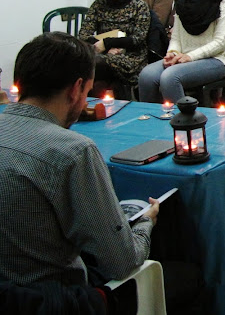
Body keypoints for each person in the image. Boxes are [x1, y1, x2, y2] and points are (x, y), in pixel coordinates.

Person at [0, 32, 158, 286]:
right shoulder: (73, 151)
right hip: (52, 299)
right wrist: (145, 223)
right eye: (87, 91)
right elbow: (122, 261)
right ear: (76, 90)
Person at [139, 0, 225, 103]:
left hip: (214, 60)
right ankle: (152, 120)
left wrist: (190, 57)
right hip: (183, 57)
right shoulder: (183, 1)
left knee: (170, 77)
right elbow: (177, 37)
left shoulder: (222, 4)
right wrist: (172, 53)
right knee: (146, 75)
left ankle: (184, 123)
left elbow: (219, 43)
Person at [79, 0, 150, 98]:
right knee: (84, 62)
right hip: (103, 53)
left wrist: (107, 43)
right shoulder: (98, 5)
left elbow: (138, 39)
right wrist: (103, 47)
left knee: (93, 64)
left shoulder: (139, 6)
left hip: (131, 56)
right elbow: (83, 35)